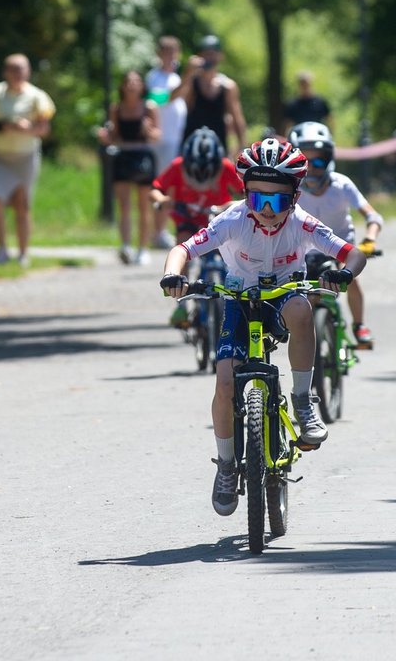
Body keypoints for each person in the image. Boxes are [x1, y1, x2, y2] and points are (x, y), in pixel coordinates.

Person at [159, 137, 367, 516]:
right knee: (224, 380)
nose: (268, 210)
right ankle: (225, 465)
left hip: (283, 293)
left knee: (302, 311)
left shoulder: (303, 222)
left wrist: (345, 272)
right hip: (238, 299)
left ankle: (304, 402)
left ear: (295, 196)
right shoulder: (233, 220)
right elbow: (184, 249)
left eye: (278, 201)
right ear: (244, 195)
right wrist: (174, 275)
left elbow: (352, 252)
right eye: (258, 200)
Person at [288, 121, 381, 348]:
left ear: (329, 158)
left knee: (351, 277)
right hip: (308, 248)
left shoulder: (342, 184)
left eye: (318, 160)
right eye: (306, 162)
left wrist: (369, 239)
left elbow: (373, 216)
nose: (313, 168)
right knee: (306, 292)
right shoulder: (292, 188)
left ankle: (359, 325)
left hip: (340, 244)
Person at [149, 126, 243, 325]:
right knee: (183, 247)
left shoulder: (225, 166)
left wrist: (235, 204)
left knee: (229, 253)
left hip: (216, 220)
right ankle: (181, 303)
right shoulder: (177, 166)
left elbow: (246, 192)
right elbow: (156, 189)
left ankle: (234, 293)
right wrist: (163, 200)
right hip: (188, 219)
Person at [0, 53, 56, 267]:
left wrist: (28, 128)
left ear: (28, 71)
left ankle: (23, 253)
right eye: (14, 69)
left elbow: (44, 129)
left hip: (25, 157)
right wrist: (2, 126)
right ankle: (1, 250)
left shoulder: (37, 96)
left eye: (22, 68)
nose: (18, 73)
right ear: (6, 72)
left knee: (22, 204)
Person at [97, 70, 161, 265]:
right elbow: (114, 135)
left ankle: (143, 248)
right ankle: (125, 245)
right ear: (123, 86)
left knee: (143, 206)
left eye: (136, 82)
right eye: (128, 82)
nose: (132, 85)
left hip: (143, 155)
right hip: (123, 155)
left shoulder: (149, 107)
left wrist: (148, 130)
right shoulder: (116, 108)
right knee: (123, 205)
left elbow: (157, 135)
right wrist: (105, 138)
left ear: (142, 86)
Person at [172, 34, 247, 155]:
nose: (209, 57)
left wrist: (242, 146)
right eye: (206, 53)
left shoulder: (228, 86)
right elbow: (172, 98)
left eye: (213, 53)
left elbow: (237, 118)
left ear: (220, 56)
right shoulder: (191, 82)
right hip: (191, 147)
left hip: (218, 147)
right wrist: (187, 73)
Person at [146, 36, 188, 248]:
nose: (170, 55)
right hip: (162, 140)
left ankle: (164, 229)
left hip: (176, 138)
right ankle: (158, 231)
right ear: (159, 54)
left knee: (173, 187)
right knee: (163, 186)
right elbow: (162, 100)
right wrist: (187, 78)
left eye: (174, 51)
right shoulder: (154, 77)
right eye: (166, 51)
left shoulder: (175, 78)